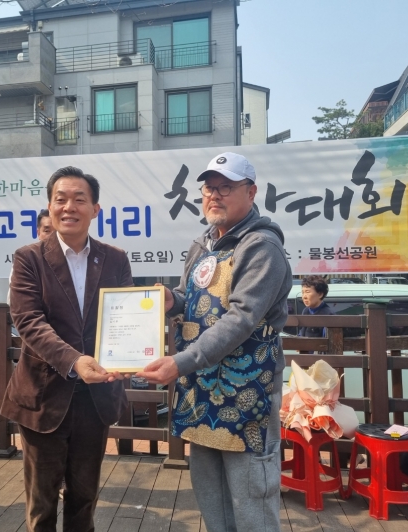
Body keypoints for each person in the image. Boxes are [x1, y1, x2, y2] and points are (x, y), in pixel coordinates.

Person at [137, 152, 292, 532]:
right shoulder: (202, 244)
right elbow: (195, 298)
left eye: (226, 187)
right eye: (209, 188)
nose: (214, 196)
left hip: (247, 390)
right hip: (202, 388)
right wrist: (172, 299)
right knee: (209, 490)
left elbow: (241, 319)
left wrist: (181, 362)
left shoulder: (261, 246)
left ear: (251, 192)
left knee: (251, 494)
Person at [1, 166, 131, 532]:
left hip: (96, 395)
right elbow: (28, 322)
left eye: (79, 199)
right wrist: (74, 361)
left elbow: (123, 320)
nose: (69, 206)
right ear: (50, 206)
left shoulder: (115, 258)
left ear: (96, 209)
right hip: (44, 396)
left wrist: (129, 357)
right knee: (41, 501)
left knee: (84, 498)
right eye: (61, 199)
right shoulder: (29, 258)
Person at [7, 209, 55, 305]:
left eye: (56, 231)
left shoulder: (73, 258)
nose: (52, 236)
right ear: (38, 233)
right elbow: (19, 301)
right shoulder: (26, 260)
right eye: (47, 231)